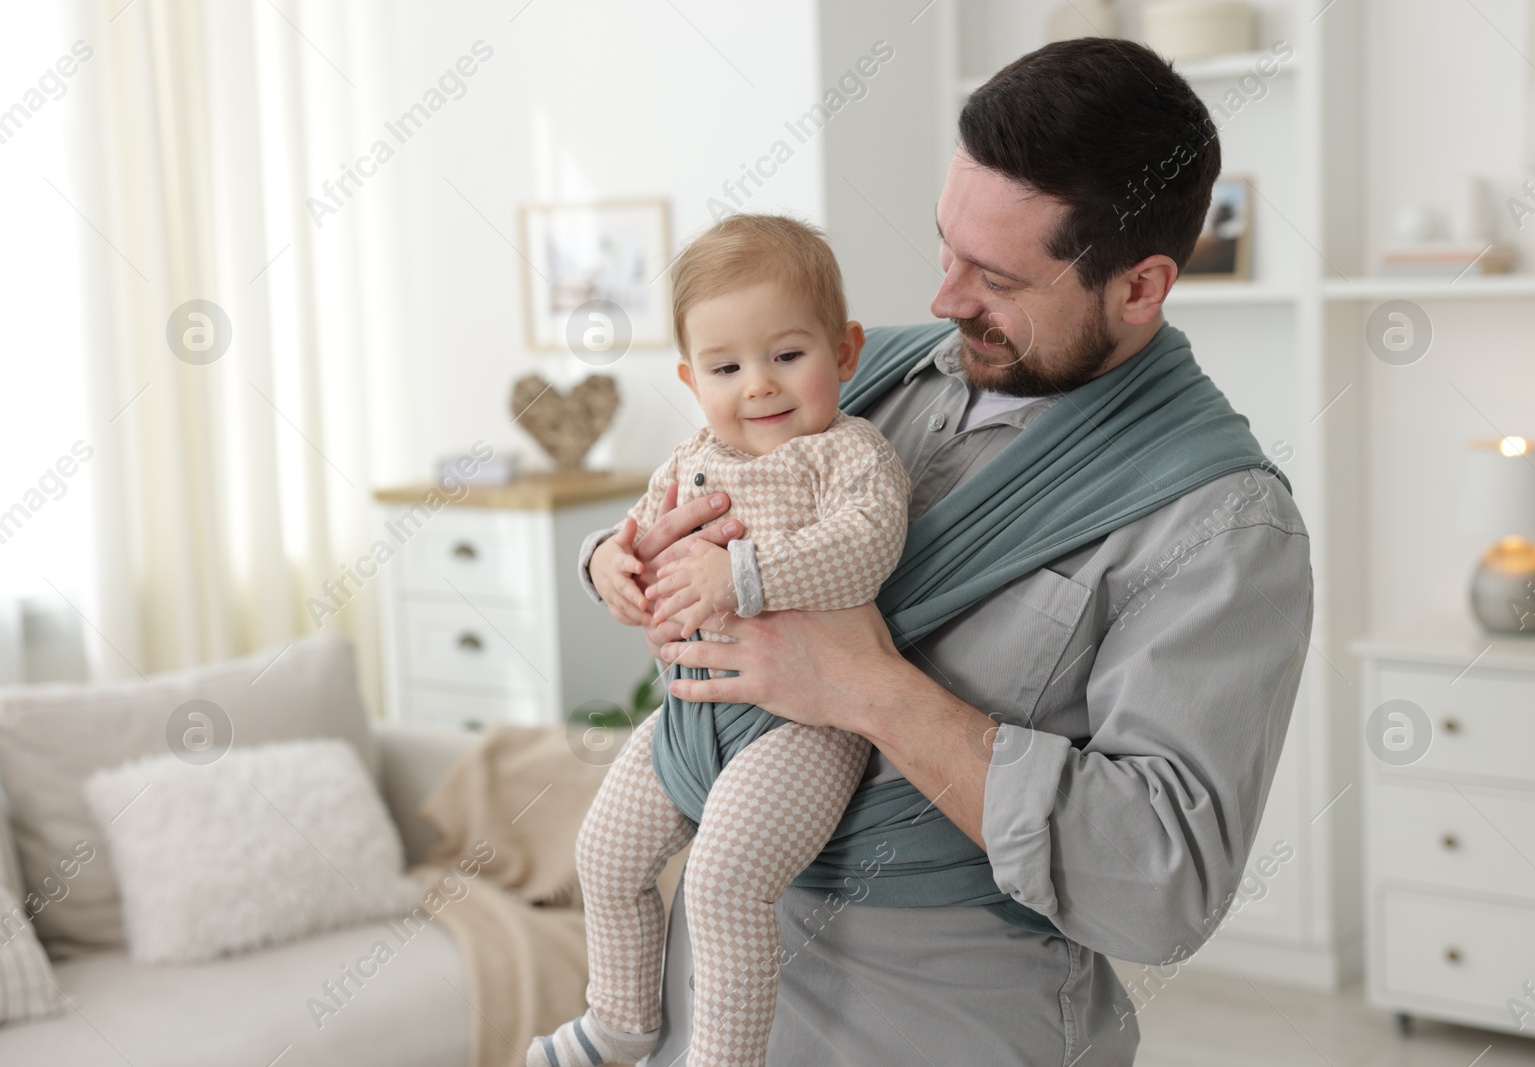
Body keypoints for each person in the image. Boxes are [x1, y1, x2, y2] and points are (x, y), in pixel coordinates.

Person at [579, 38, 1312, 1067]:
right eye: (945, 249)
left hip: (936, 1022)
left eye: (997, 276)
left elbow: (1164, 885)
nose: (943, 299)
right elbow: (700, 541)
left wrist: (873, 690)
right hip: (704, 1010)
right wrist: (635, 560)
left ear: (1140, 285)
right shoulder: (849, 376)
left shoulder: (1219, 524)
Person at [530, 215, 912, 1067]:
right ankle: (621, 1018)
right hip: (687, 714)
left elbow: (866, 541)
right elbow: (628, 533)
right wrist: (604, 564)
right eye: (726, 367)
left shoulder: (846, 455)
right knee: (603, 853)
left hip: (801, 726)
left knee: (723, 883)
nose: (759, 388)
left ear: (845, 352)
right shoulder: (688, 460)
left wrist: (741, 576)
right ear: (689, 378)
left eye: (787, 355)